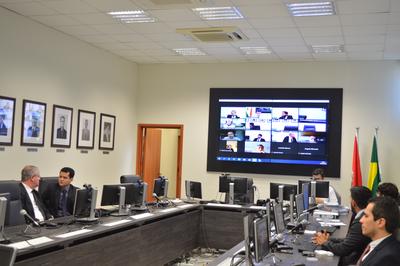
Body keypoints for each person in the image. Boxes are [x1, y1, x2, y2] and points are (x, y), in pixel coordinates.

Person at [312, 186, 372, 266]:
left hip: (352, 261)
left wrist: (325, 242)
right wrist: (329, 239)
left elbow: (343, 249)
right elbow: (349, 240)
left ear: (353, 203)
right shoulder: (363, 216)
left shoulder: (360, 222)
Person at [358, 196, 400, 266]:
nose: (361, 220)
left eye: (366, 216)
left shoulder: (387, 258)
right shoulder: (378, 243)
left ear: (380, 222)